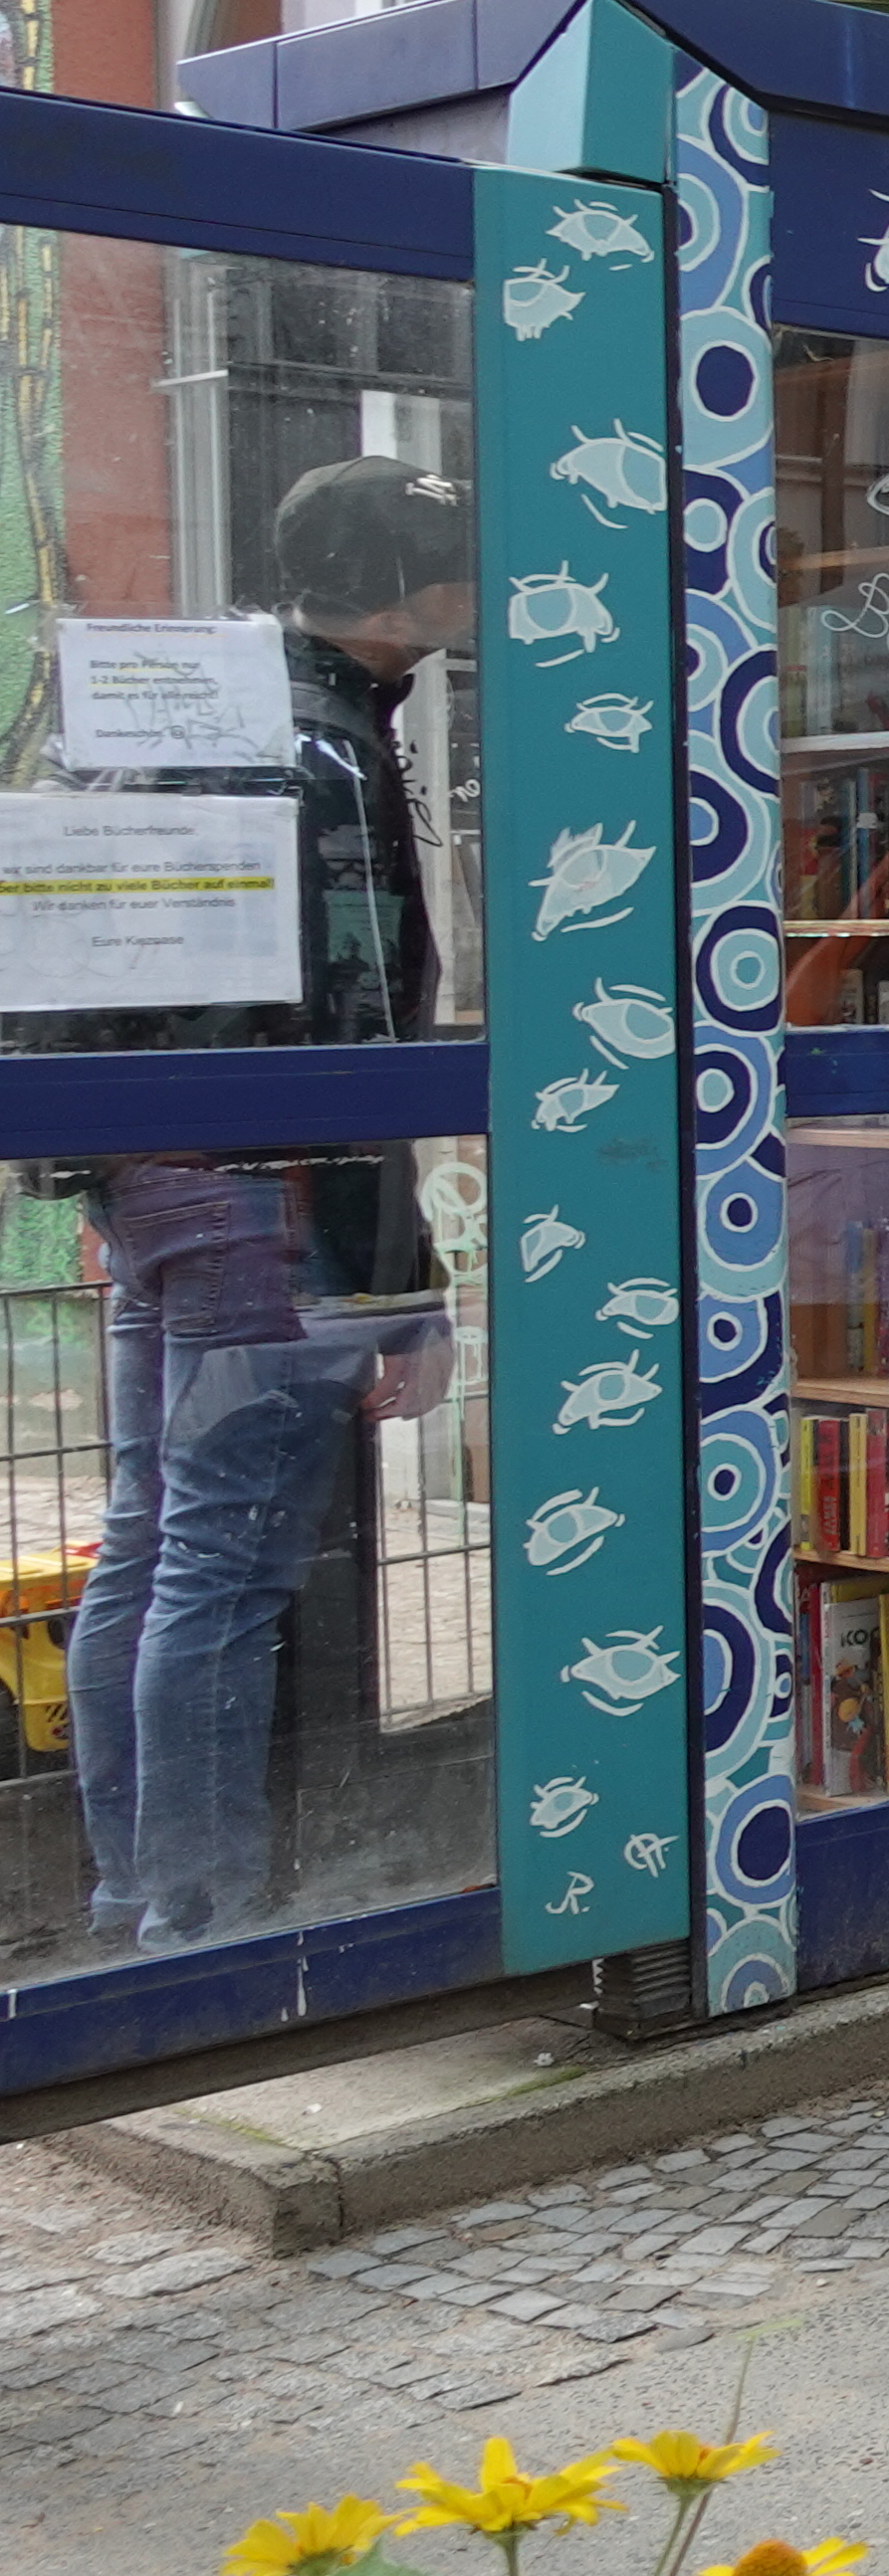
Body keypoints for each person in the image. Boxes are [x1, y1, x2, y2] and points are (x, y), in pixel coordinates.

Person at [64, 459, 471, 1955]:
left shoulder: (192, 723)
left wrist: (100, 1179)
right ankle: (205, 1914)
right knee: (225, 1565)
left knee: (151, 1535)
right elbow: (358, 1033)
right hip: (270, 1197)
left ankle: (132, 1891)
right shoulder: (327, 752)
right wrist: (402, 1286)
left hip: (159, 1184)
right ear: (408, 595)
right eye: (456, 576)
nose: (471, 604)